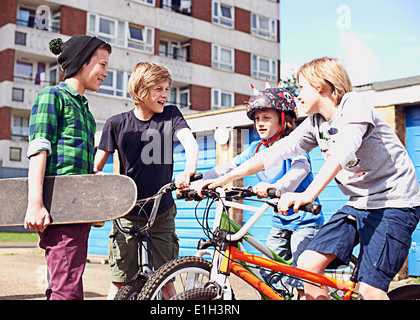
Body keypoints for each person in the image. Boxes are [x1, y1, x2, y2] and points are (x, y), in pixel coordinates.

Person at [203, 57, 420, 300]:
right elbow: (274, 152)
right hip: (359, 204)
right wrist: (224, 179)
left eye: (302, 88)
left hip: (396, 204)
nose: (298, 96)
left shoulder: (354, 105)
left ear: (321, 86)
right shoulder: (315, 123)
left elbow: (344, 150)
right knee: (307, 265)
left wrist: (308, 193)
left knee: (370, 291)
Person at [195, 83, 323, 296]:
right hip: (279, 222)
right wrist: (197, 181)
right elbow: (229, 166)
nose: (260, 124)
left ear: (283, 119)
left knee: (302, 280)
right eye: (257, 119)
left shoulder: (293, 145)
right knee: (266, 277)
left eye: (266, 118)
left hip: (305, 223)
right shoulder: (255, 149)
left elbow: (300, 169)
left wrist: (276, 187)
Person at [94, 62, 199, 299]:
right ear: (141, 91)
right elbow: (95, 168)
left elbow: (189, 142)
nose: (164, 95)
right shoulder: (116, 123)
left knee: (167, 280)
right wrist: (104, 181)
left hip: (161, 212)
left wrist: (188, 171)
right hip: (126, 212)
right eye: (158, 89)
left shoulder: (171, 115)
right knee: (119, 282)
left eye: (166, 89)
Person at [24, 35, 112, 300]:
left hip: (78, 209)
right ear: (82, 63)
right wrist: (35, 203)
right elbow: (39, 149)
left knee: (65, 285)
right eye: (102, 65)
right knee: (67, 291)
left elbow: (82, 166)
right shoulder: (52, 96)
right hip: (61, 209)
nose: (105, 73)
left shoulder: (85, 111)